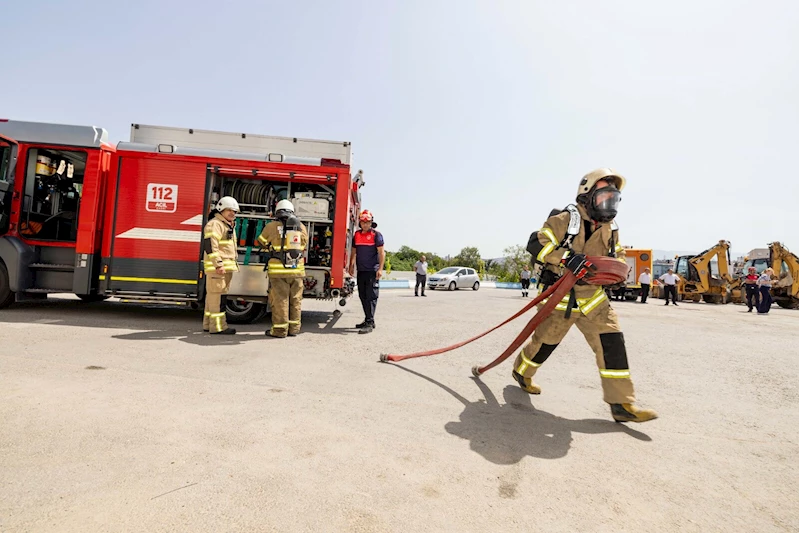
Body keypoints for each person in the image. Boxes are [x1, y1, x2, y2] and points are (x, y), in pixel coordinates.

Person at [518, 168, 657, 423]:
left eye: (613, 199)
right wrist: (566, 258)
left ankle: (622, 404)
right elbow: (536, 243)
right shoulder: (563, 220)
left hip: (594, 299)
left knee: (612, 344)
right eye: (604, 197)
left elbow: (617, 256)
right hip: (560, 297)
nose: (609, 204)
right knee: (544, 344)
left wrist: (616, 274)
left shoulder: (611, 228)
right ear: (587, 194)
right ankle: (522, 371)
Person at [258, 199, 309, 338]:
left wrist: (271, 246)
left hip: (278, 271)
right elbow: (304, 245)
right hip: (297, 271)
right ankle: (294, 329)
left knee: (280, 300)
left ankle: (280, 331)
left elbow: (261, 241)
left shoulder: (271, 226)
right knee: (296, 300)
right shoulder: (301, 227)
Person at [202, 196, 240, 335]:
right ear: (220, 210)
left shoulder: (226, 224)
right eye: (229, 210)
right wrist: (218, 265)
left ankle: (208, 324)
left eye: (234, 211)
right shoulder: (216, 224)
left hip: (224, 268)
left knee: (212, 298)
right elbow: (211, 246)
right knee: (218, 299)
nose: (232, 213)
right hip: (217, 269)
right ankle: (218, 327)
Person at [349, 210, 385, 334]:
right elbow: (354, 251)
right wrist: (351, 264)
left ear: (371, 222)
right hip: (361, 270)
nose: (365, 224)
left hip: (372, 271)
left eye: (367, 222)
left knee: (371, 296)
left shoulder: (377, 235)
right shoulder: (357, 235)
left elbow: (381, 253)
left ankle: (369, 322)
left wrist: (380, 269)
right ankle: (368, 319)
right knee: (362, 296)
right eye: (363, 222)